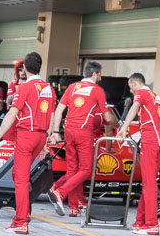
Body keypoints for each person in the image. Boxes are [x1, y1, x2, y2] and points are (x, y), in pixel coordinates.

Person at [0, 52, 55, 234]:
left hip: (27, 135)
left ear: (24, 68)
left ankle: (20, 221)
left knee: (20, 179)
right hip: (41, 135)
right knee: (18, 175)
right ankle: (24, 211)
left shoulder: (25, 88)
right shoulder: (49, 88)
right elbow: (50, 116)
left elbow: (11, 114)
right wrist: (44, 144)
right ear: (40, 67)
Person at [47, 61, 115, 217]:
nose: (101, 77)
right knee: (85, 170)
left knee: (73, 171)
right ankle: (59, 192)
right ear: (94, 74)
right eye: (100, 74)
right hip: (84, 132)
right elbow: (107, 118)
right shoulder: (98, 90)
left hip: (68, 131)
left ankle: (73, 206)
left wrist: (56, 131)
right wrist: (118, 122)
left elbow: (59, 109)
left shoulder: (71, 87)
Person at [118, 73, 160, 235]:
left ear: (134, 83)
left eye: (130, 87)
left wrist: (124, 127)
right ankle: (140, 221)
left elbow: (134, 107)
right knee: (149, 182)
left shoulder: (142, 93)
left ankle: (152, 224)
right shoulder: (156, 96)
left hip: (151, 141)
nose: (131, 92)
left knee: (149, 184)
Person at [3, 59, 26, 143]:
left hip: (26, 118)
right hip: (13, 117)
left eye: (24, 70)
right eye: (20, 70)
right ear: (17, 72)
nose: (22, 72)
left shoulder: (33, 84)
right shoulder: (14, 83)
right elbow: (9, 100)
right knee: (8, 140)